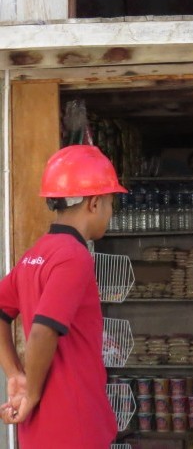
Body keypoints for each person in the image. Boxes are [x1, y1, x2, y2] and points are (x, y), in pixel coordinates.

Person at [0, 145, 127, 448]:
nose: (110, 213)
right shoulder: (74, 256)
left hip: (41, 428)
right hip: (75, 424)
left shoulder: (37, 253)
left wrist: (15, 374)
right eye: (111, 203)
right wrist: (30, 389)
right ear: (94, 203)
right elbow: (44, 331)